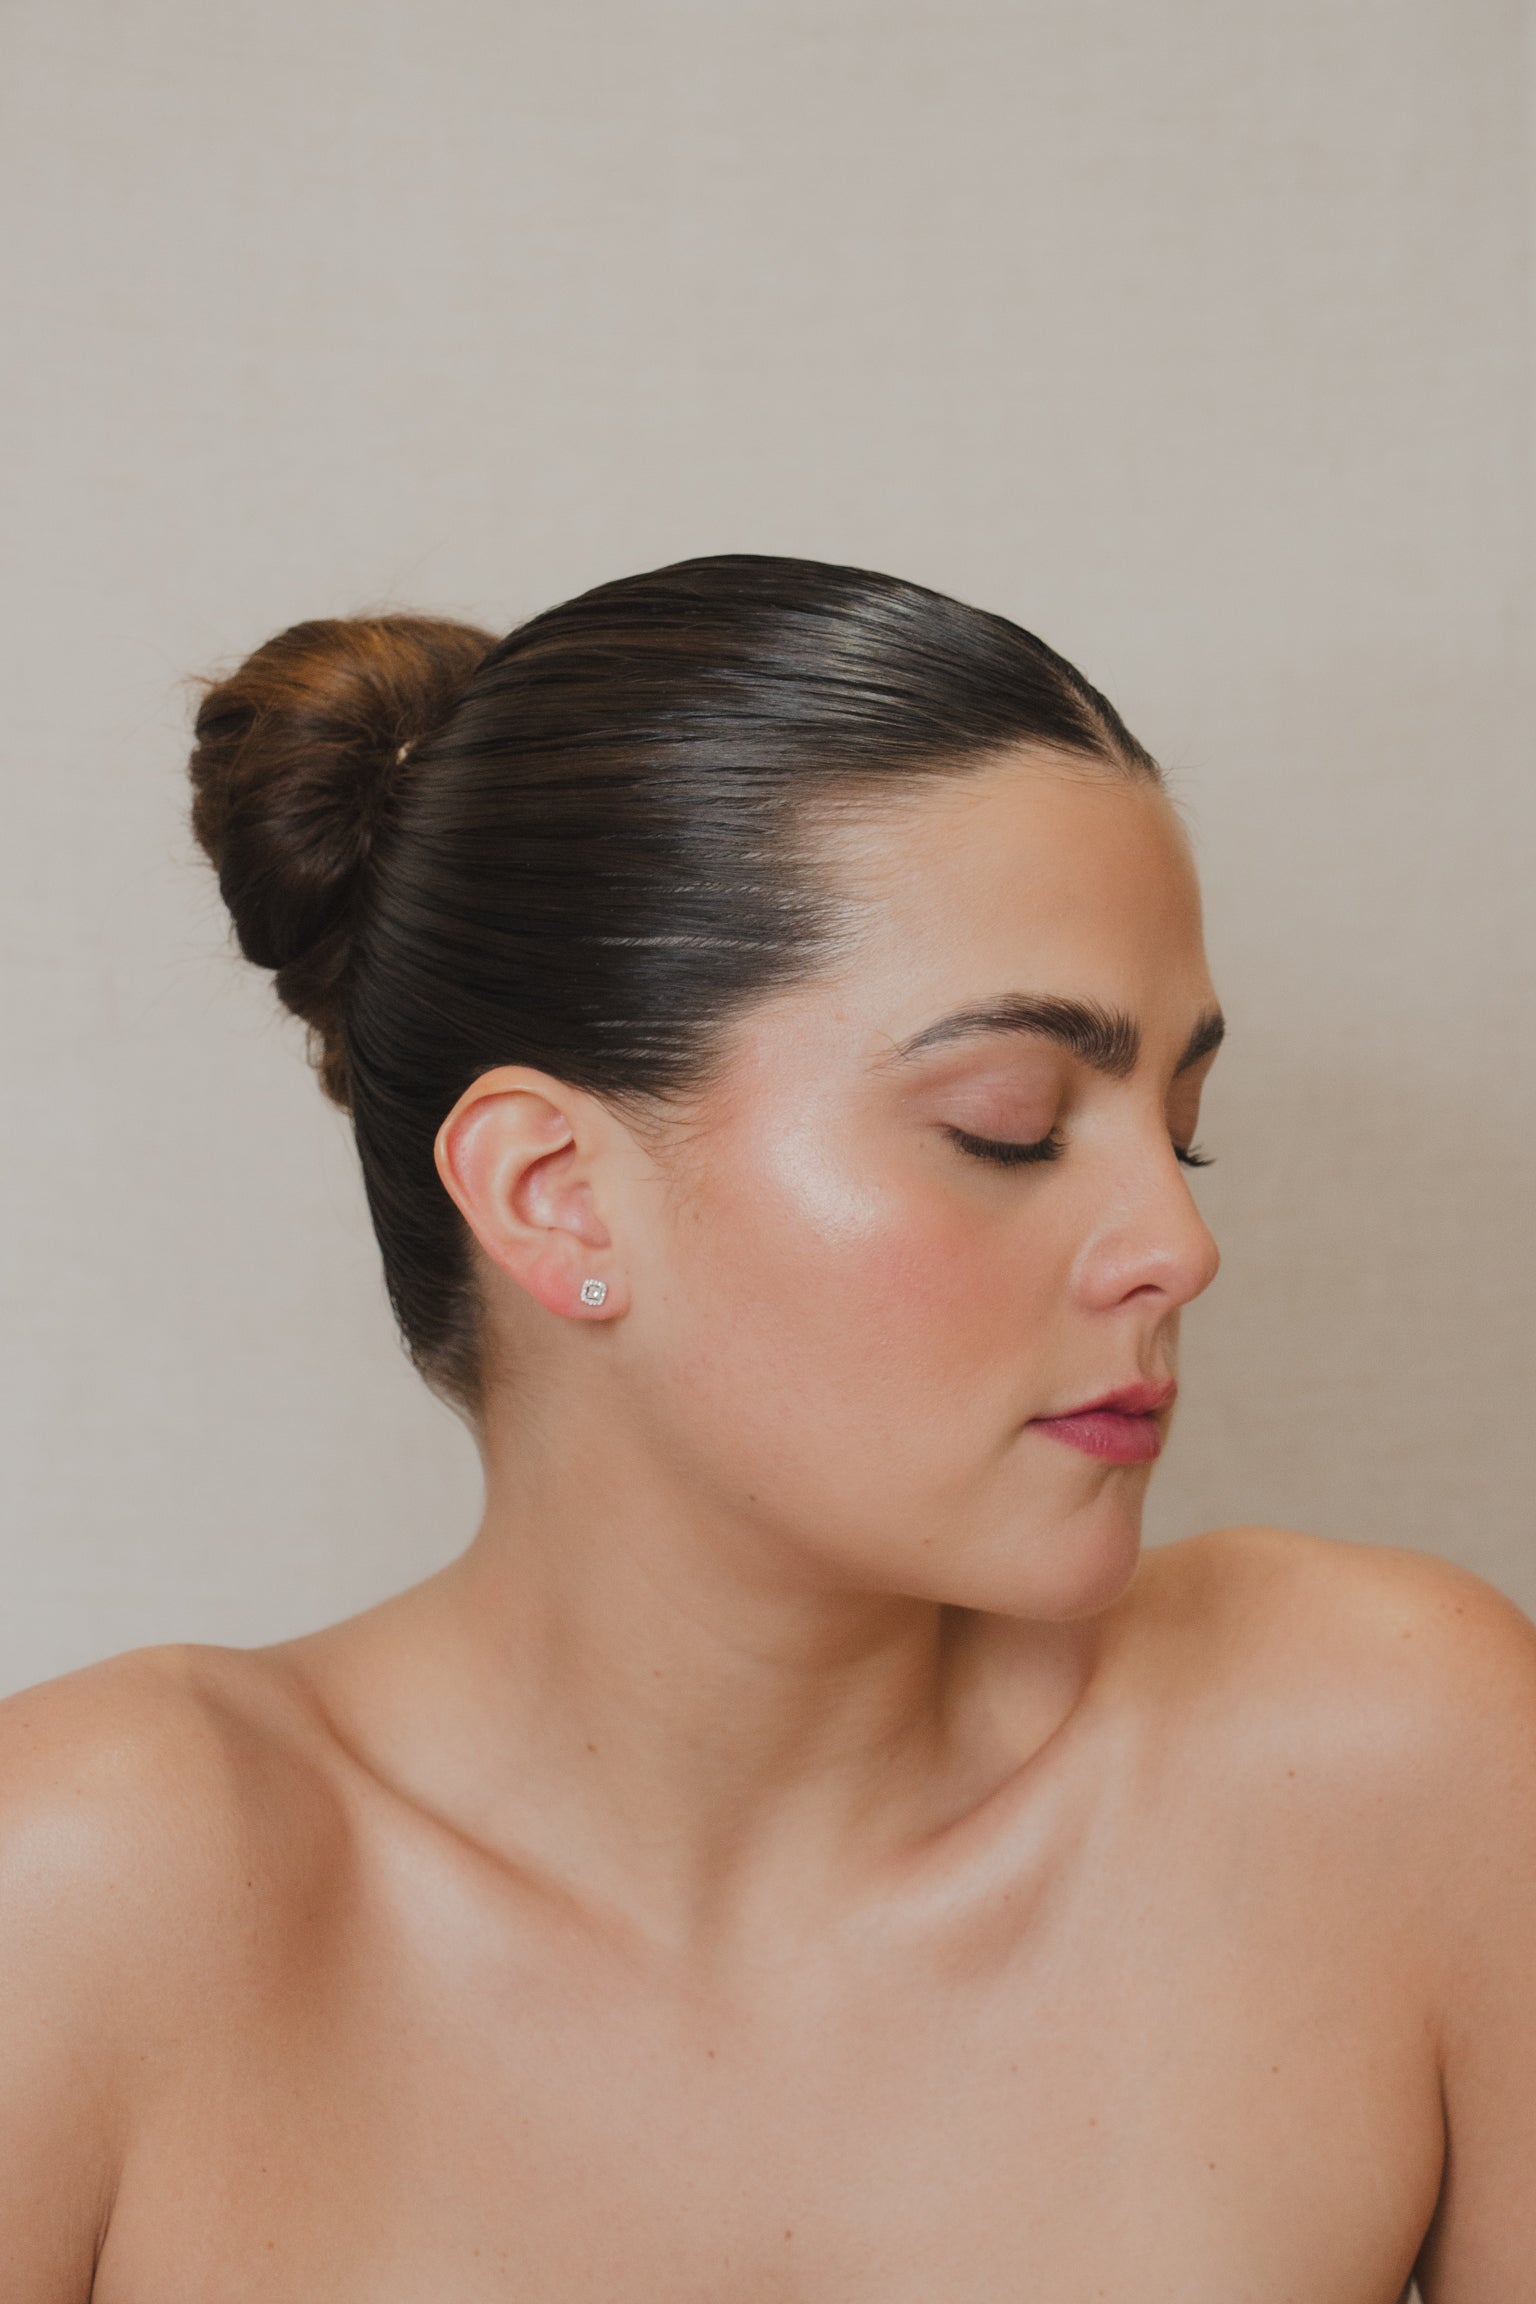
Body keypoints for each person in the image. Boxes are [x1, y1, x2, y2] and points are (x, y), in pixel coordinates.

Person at [1, 556, 1531, 2302]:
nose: (1178, 1247)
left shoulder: (1392, 1760)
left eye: (1179, 1129)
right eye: (1010, 1124)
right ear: (558, 1193)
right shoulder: (86, 1891)